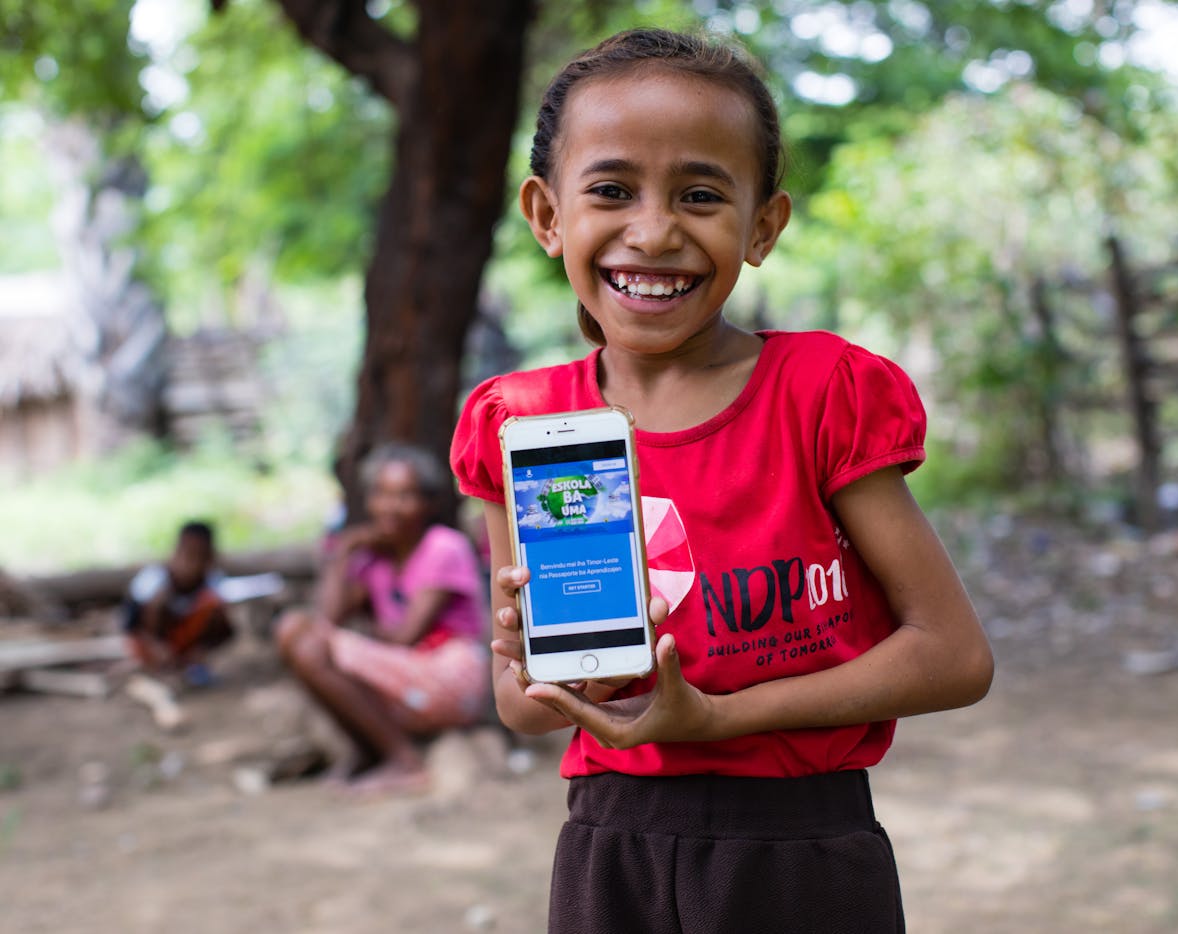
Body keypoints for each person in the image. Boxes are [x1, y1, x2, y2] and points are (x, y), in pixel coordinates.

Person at [450, 27, 994, 933]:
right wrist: (537, 659)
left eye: (700, 195)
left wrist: (717, 719)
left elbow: (952, 655)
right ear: (547, 215)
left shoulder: (823, 394)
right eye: (611, 190)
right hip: (610, 854)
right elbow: (524, 710)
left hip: (803, 854)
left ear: (763, 226)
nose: (654, 231)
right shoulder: (523, 424)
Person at [275, 443, 490, 794]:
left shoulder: (443, 547)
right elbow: (327, 618)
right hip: (405, 675)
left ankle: (404, 761)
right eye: (382, 494)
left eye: (404, 496)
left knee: (304, 638)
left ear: (428, 503)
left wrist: (361, 637)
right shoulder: (374, 561)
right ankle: (371, 753)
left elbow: (405, 637)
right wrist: (343, 553)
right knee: (299, 638)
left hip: (448, 675)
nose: (390, 507)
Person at [123, 520, 233, 683]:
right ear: (176, 552)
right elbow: (130, 626)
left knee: (213, 604)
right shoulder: (152, 579)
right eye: (188, 554)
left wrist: (200, 650)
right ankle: (158, 667)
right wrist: (156, 647)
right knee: (158, 600)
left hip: (185, 647)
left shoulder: (213, 583)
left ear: (210, 557)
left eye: (200, 556)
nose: (192, 564)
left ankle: (191, 665)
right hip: (151, 646)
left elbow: (226, 630)